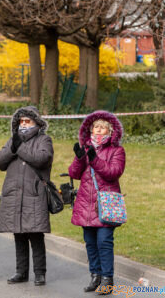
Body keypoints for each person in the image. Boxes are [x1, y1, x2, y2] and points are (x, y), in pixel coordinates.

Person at [0, 106, 53, 287]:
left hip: (34, 194)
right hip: (14, 194)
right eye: (21, 121)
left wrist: (19, 148)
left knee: (35, 236)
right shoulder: (13, 140)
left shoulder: (44, 139)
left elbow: (42, 159)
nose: (24, 124)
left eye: (28, 121)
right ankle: (21, 272)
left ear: (36, 122)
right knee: (18, 235)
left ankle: (40, 273)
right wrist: (14, 146)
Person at [69, 111, 126, 295]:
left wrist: (94, 159)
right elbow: (74, 174)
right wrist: (80, 158)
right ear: (91, 130)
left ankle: (107, 279)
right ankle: (95, 276)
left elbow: (113, 172)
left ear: (110, 131)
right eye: (96, 127)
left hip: (105, 204)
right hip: (86, 203)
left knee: (104, 241)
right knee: (90, 242)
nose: (98, 130)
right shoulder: (86, 148)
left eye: (103, 127)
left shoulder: (117, 151)